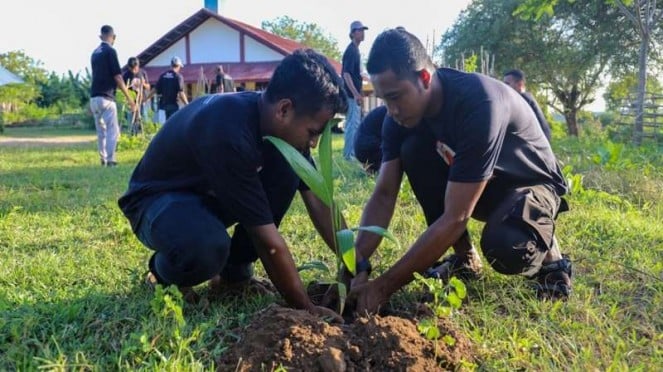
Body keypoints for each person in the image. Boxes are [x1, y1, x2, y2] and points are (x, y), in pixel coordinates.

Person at [348, 29, 572, 314]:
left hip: (528, 186)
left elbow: (456, 216)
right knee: (414, 150)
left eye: (395, 97)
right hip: (477, 183)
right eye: (384, 99)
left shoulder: (479, 102)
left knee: (506, 247)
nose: (391, 110)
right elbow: (383, 194)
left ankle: (553, 259)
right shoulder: (398, 119)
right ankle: (465, 259)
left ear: (424, 78)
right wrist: (355, 262)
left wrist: (383, 287)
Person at [117, 49, 348, 320]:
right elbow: (267, 239)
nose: (313, 144)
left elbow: (319, 200)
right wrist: (305, 309)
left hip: (207, 198)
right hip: (156, 203)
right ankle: (161, 273)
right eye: (312, 132)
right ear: (284, 109)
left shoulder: (279, 131)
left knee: (287, 173)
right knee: (206, 247)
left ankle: (234, 276)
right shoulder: (228, 130)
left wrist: (356, 264)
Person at [89, 25, 136, 167]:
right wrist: (129, 98)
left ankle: (102, 158)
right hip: (106, 97)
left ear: (100, 36)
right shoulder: (110, 51)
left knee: (100, 131)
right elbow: (118, 76)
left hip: (94, 97)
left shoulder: (94, 53)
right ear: (113, 37)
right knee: (112, 130)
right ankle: (111, 159)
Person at [341, 20, 368, 160]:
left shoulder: (356, 50)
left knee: (354, 123)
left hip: (354, 94)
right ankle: (348, 155)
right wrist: (355, 93)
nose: (363, 33)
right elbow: (346, 74)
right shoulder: (351, 50)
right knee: (352, 124)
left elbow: (357, 75)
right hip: (351, 95)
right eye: (360, 30)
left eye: (364, 30)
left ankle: (351, 154)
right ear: (352, 33)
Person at [503, 69, 552, 141]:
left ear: (520, 84)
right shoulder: (527, 97)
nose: (504, 87)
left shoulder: (523, 100)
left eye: (507, 84)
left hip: (536, 145)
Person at [146, 56, 188, 120]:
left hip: (162, 106)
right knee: (172, 127)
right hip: (174, 106)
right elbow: (181, 93)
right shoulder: (178, 76)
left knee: (163, 127)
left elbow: (155, 89)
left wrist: (146, 98)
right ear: (179, 66)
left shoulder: (163, 75)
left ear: (171, 65)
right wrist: (187, 105)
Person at [354, 105, 387, 174]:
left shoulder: (387, 110)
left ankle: (373, 169)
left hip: (362, 148)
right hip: (367, 149)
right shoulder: (392, 113)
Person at [123, 57, 150, 133]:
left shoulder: (142, 73)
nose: (134, 71)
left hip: (141, 100)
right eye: (132, 69)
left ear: (138, 66)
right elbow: (123, 88)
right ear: (129, 67)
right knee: (131, 120)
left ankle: (142, 134)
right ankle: (132, 135)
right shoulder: (126, 75)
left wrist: (143, 84)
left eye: (135, 68)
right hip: (131, 101)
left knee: (142, 118)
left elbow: (148, 87)